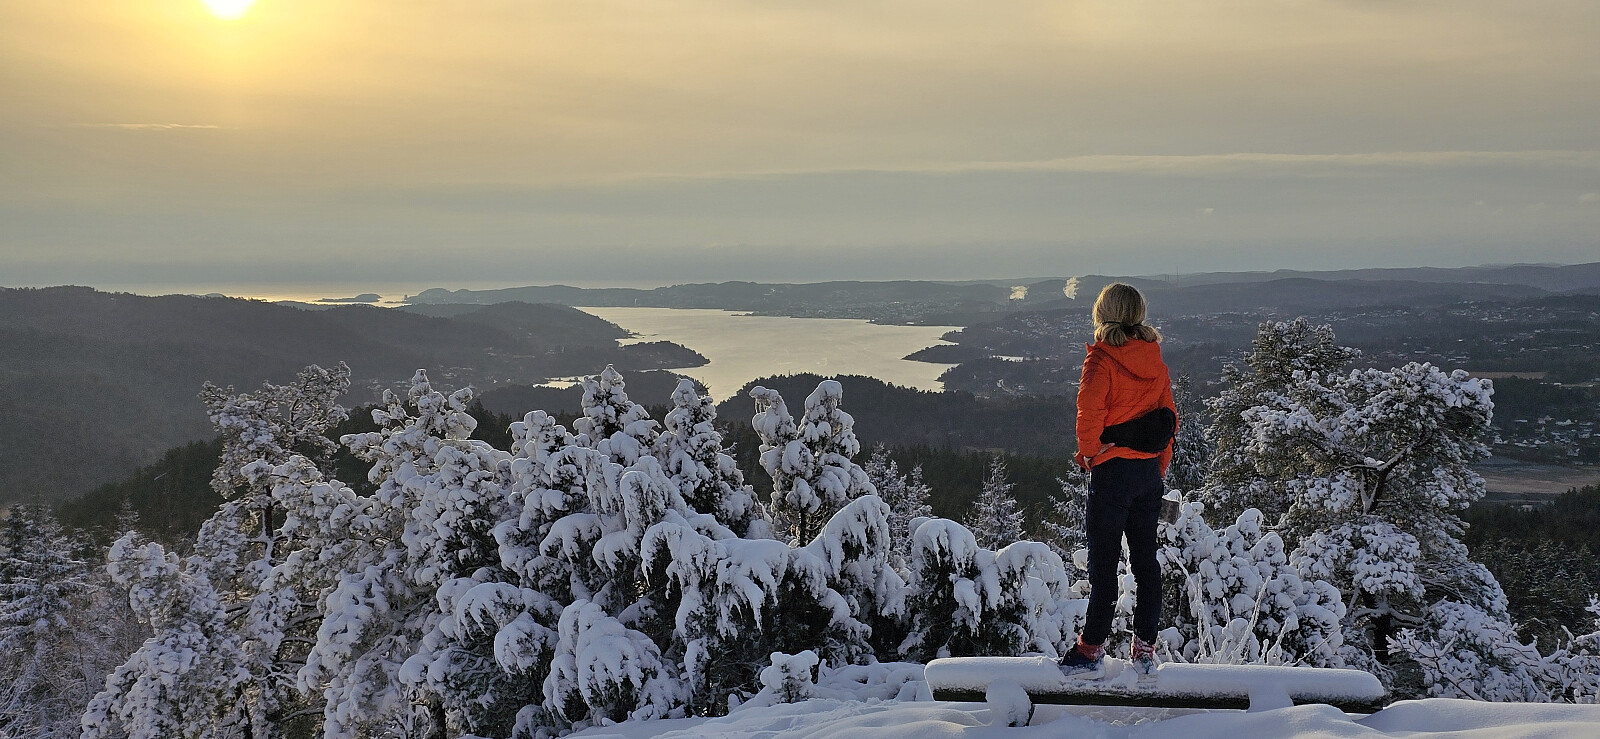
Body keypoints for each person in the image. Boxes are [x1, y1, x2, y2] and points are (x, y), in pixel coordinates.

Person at [1059, 283, 1177, 679]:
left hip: (1111, 474)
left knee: (1104, 566)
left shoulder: (1101, 360)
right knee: (1146, 564)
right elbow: (1168, 421)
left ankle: (1090, 649)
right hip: (1146, 474)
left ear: (1103, 313)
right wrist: (1156, 468)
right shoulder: (1155, 361)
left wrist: (1091, 456)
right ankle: (1144, 649)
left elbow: (1088, 418)